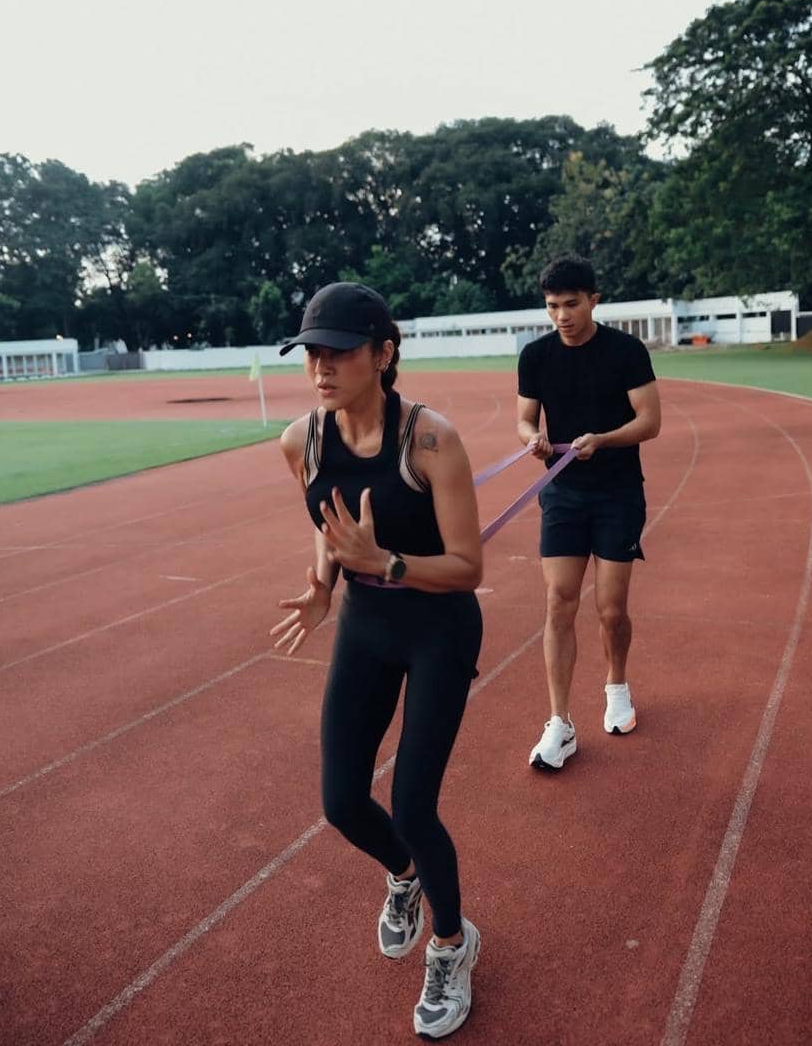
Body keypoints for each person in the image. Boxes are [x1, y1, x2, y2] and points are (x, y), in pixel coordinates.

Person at [270, 281, 483, 1039]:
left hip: (438, 629)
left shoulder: (431, 441)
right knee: (340, 801)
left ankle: (454, 946)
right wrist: (323, 585)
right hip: (365, 624)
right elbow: (327, 527)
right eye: (312, 353)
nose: (322, 367)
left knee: (416, 805)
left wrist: (385, 562)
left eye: (339, 352)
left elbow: (467, 567)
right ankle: (404, 875)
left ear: (383, 354)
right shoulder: (302, 440)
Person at [516, 256, 661, 771]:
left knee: (611, 608)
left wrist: (604, 440)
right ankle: (560, 723)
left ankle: (616, 684)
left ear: (593, 299)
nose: (562, 316)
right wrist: (531, 438)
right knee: (559, 601)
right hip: (562, 492)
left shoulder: (625, 351)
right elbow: (524, 417)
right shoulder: (535, 356)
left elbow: (650, 421)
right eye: (553, 306)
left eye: (571, 304)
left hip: (618, 492)